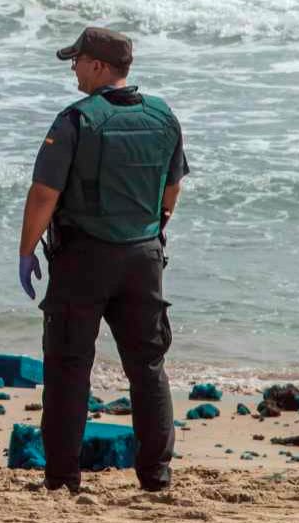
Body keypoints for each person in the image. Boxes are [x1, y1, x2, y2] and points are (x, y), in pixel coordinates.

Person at [17, 26, 188, 494]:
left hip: (84, 259)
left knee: (69, 366)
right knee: (147, 366)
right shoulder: (163, 116)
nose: (73, 68)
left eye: (76, 61)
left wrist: (27, 248)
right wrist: (156, 227)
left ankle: (62, 478)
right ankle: (156, 476)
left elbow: (43, 194)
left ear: (97, 66)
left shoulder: (75, 120)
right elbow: (172, 187)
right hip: (143, 257)